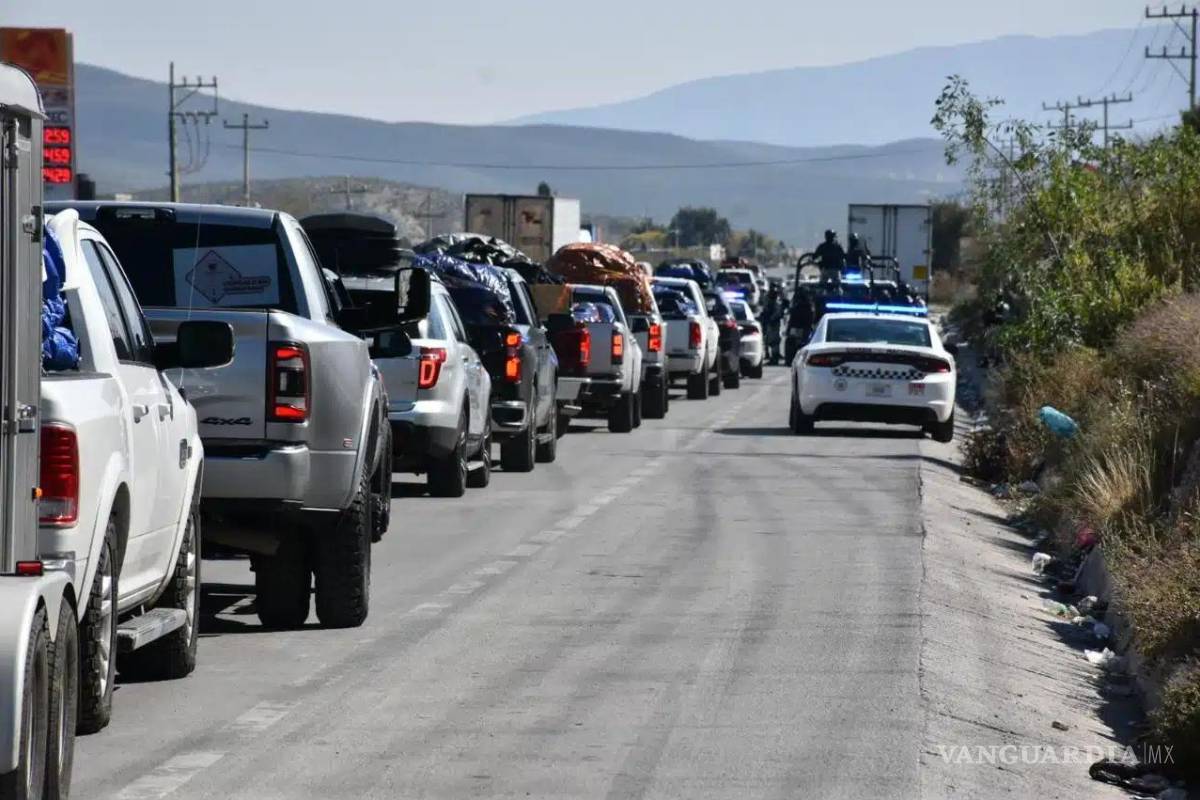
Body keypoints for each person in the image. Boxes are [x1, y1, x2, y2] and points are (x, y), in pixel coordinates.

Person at [759, 284, 784, 364]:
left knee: (774, 342)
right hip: (770, 323)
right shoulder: (770, 302)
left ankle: (774, 358)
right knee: (770, 340)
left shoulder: (776, 303)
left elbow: (777, 313)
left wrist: (771, 319)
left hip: (774, 323)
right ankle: (772, 356)